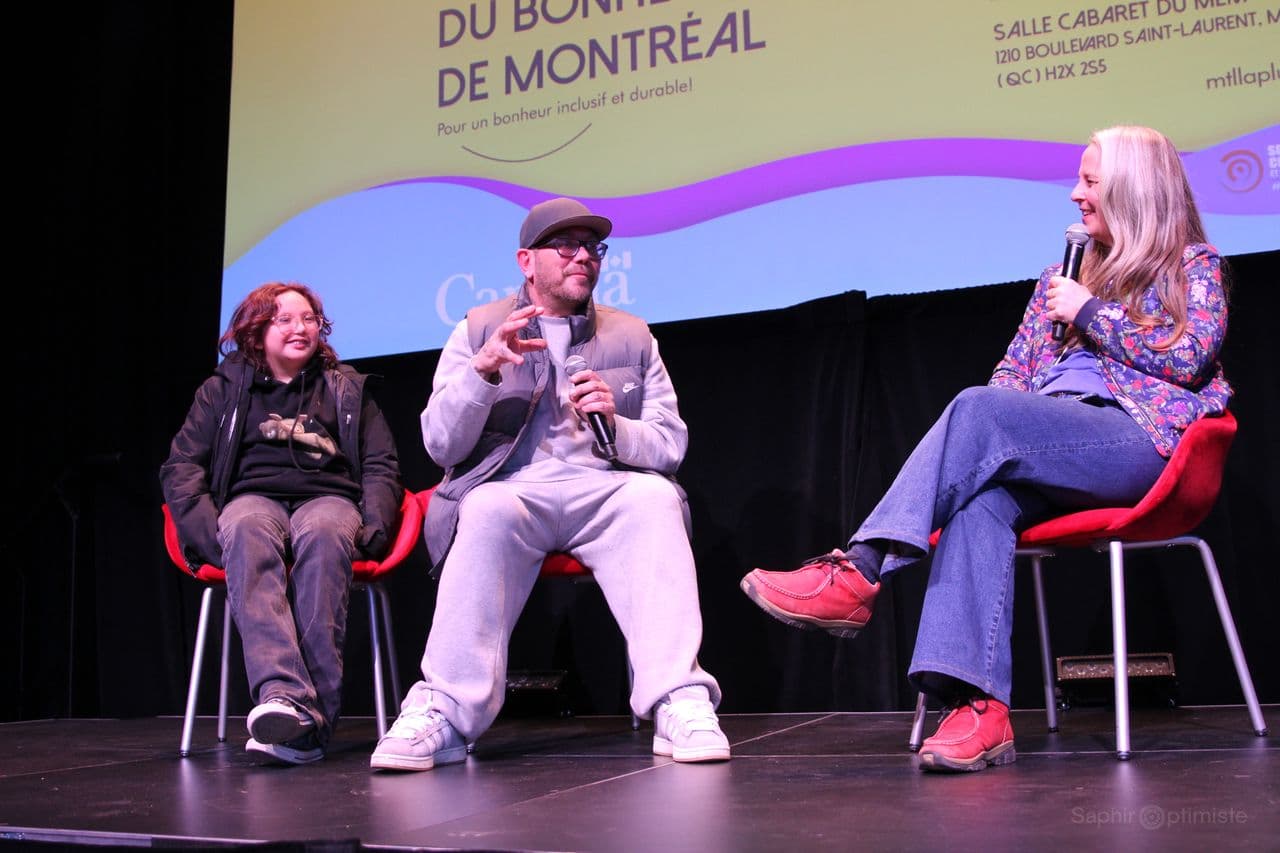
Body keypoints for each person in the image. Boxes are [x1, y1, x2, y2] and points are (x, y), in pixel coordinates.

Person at [741, 125, 1231, 772]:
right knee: (981, 500)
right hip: (1048, 440)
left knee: (978, 410)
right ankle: (979, 709)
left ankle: (860, 570)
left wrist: (1090, 313)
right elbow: (1013, 372)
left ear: (1134, 189)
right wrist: (1012, 406)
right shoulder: (1062, 275)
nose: (1075, 194)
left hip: (1136, 441)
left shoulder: (1191, 266)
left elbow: (1188, 357)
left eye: (1090, 181)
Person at [370, 197, 728, 771]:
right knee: (483, 510)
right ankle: (445, 711)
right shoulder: (478, 329)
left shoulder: (633, 335)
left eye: (592, 247)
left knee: (656, 499)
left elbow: (670, 445)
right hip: (513, 488)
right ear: (526, 261)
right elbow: (441, 446)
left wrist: (617, 426)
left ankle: (678, 700)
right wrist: (482, 372)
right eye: (566, 245)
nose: (583, 256)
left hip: (604, 487)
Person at [161, 281, 402, 765]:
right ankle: (285, 699)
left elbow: (381, 464)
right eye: (284, 319)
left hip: (329, 498)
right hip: (252, 498)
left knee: (325, 531)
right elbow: (182, 467)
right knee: (246, 526)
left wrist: (374, 526)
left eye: (309, 319)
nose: (300, 328)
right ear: (256, 331)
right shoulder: (222, 390)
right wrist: (213, 537)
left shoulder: (346, 388)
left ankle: (302, 720)